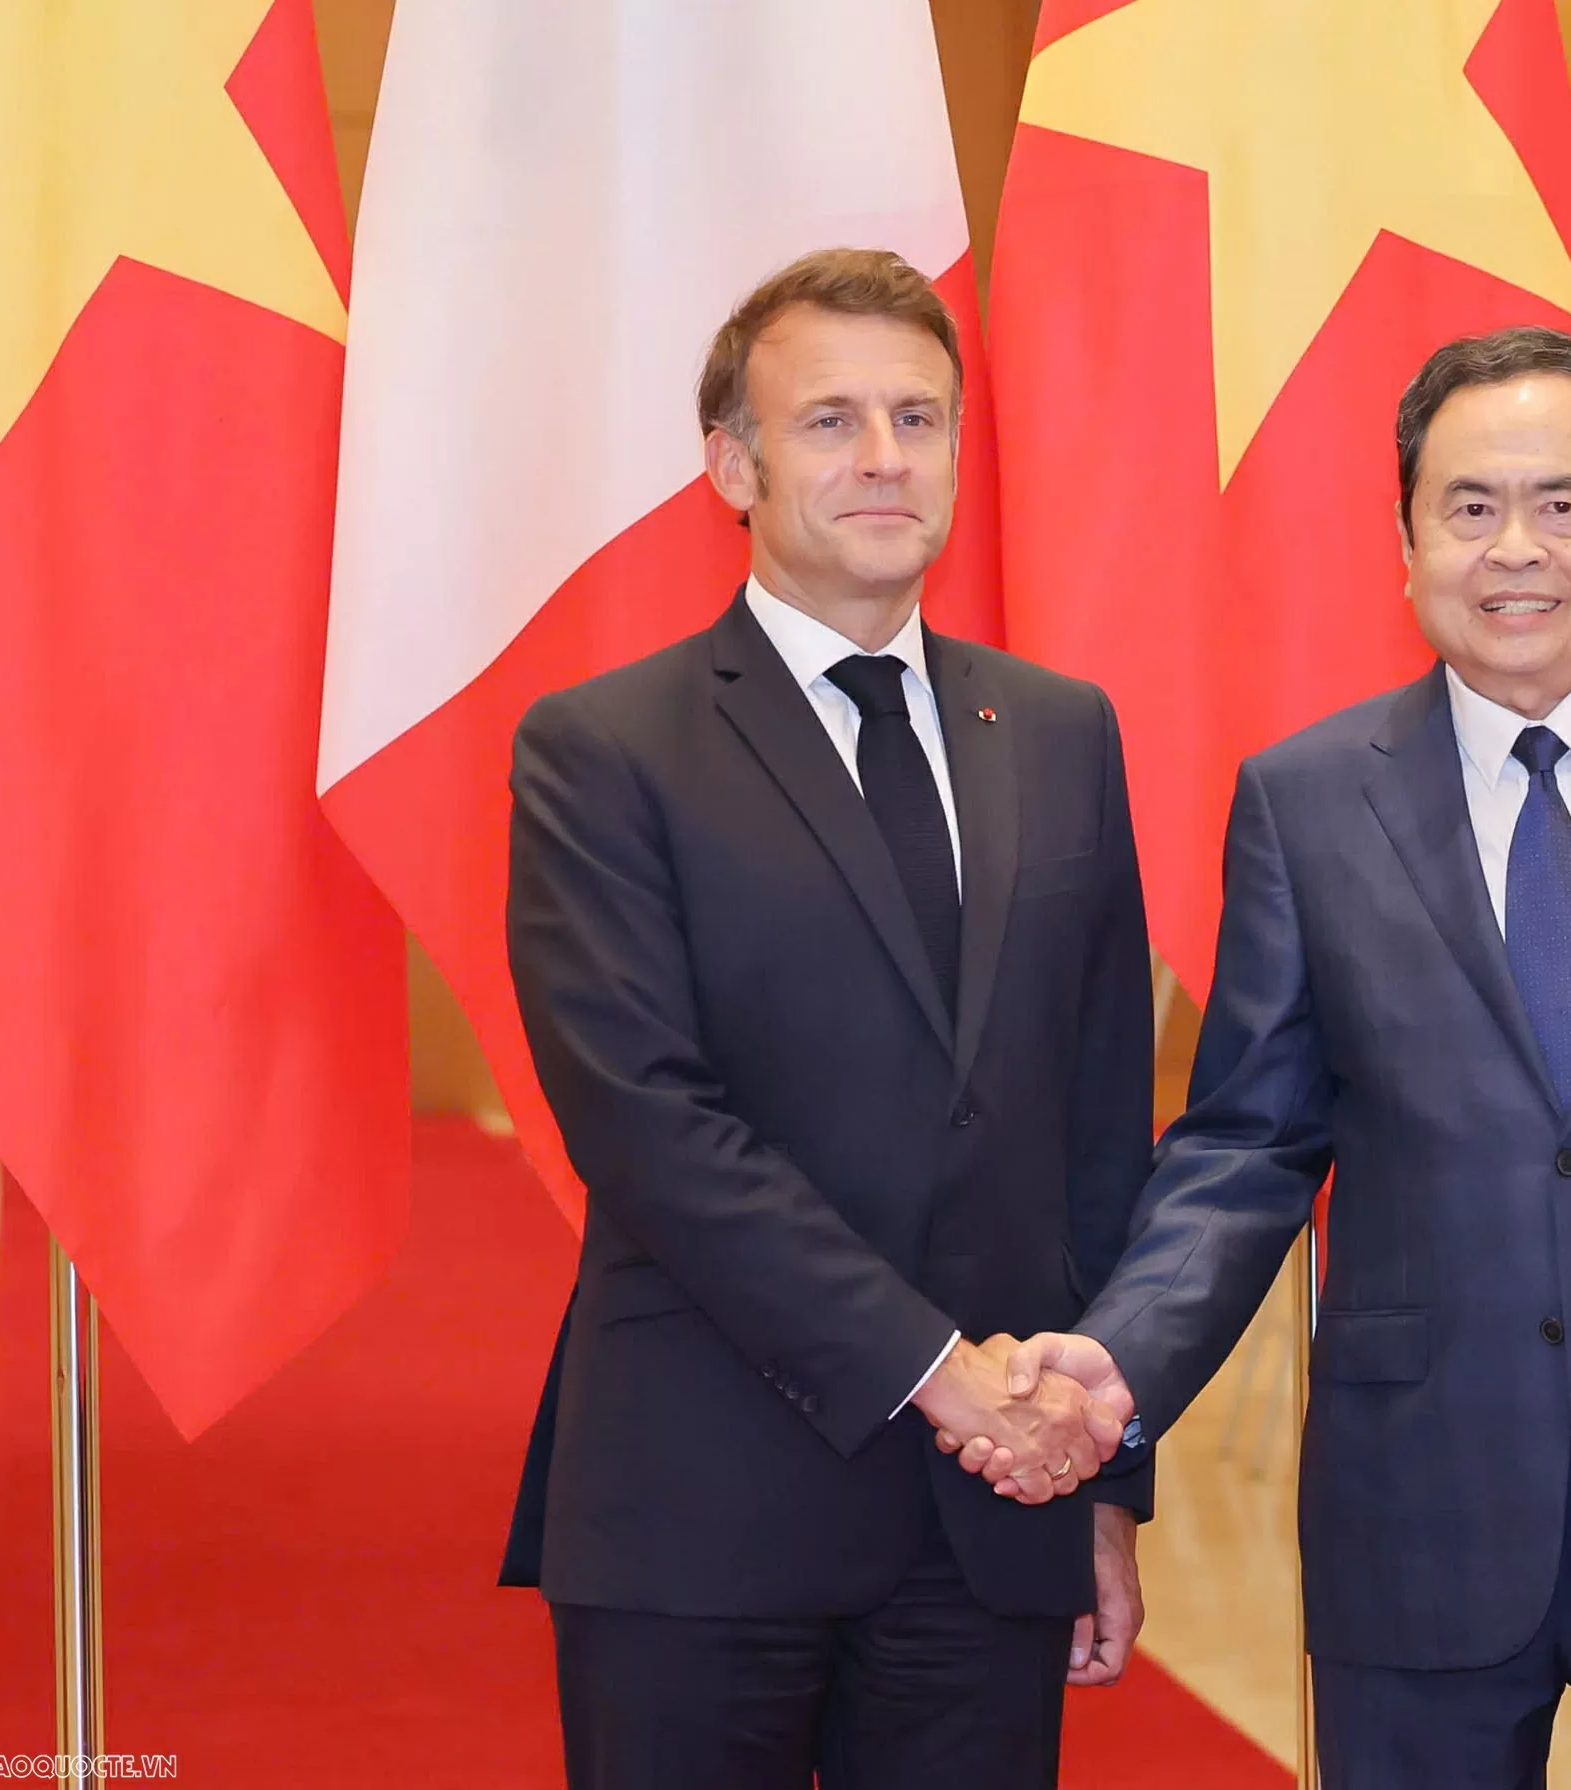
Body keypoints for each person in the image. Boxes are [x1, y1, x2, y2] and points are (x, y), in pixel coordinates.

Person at [954, 327, 1571, 1787]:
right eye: (1468, 508)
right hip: (1416, 1518)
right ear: (1403, 541)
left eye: (1561, 502)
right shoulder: (1305, 802)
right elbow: (1243, 1146)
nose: (1515, 549)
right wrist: (1114, 1365)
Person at [497, 248, 1153, 1789]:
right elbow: (651, 1126)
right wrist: (942, 1374)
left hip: (995, 1522)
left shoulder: (1061, 732)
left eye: (919, 419)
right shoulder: (603, 750)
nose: (883, 459)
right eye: (830, 421)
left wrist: (1105, 1478)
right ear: (732, 462)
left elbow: (1094, 1126)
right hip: (703, 1502)